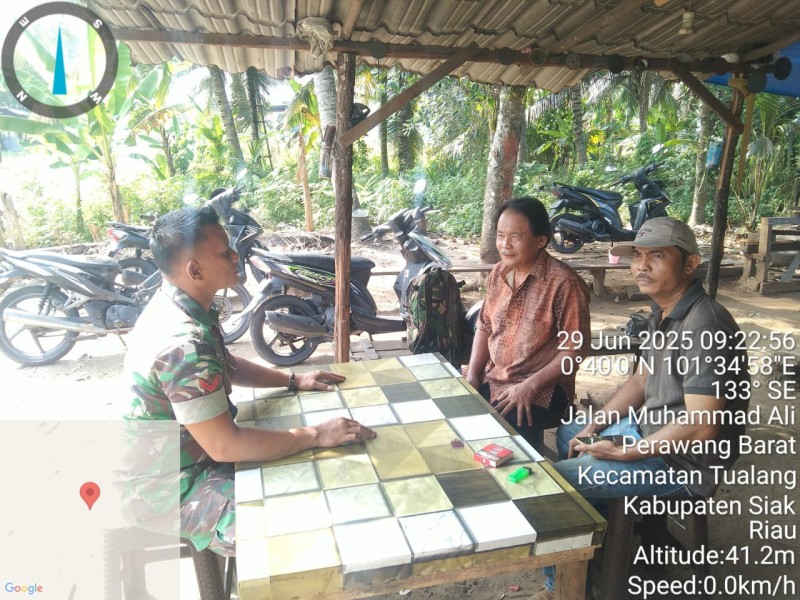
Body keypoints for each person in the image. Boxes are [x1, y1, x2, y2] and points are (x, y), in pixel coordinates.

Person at [124, 205, 376, 556]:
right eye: (223, 252)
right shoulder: (183, 342)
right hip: (169, 488)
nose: (234, 256)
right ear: (194, 269)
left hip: (189, 459)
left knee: (311, 466)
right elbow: (225, 446)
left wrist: (292, 380)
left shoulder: (177, 304)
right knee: (302, 526)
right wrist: (317, 434)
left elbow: (225, 365)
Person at [535, 217, 750, 600]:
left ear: (689, 264)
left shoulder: (705, 324)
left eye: (657, 256)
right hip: (653, 432)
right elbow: (640, 382)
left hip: (685, 462)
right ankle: (614, 532)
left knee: (558, 489)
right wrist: (596, 425)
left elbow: (702, 425)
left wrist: (627, 452)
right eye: (637, 256)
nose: (641, 266)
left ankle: (565, 590)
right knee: (573, 432)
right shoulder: (664, 310)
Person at [465, 197, 591, 451]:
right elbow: (485, 326)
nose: (505, 244)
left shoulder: (563, 283)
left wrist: (529, 386)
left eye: (515, 236)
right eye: (500, 235)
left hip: (543, 387)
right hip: (496, 376)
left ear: (541, 240)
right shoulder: (499, 273)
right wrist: (472, 374)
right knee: (461, 418)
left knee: (503, 438)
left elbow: (575, 351)